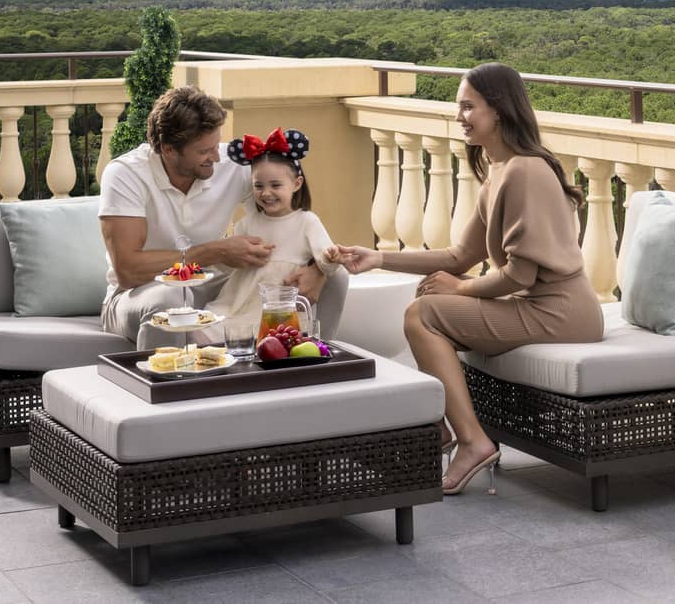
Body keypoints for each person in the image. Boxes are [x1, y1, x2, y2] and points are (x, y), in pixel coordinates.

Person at [327, 62, 604, 496]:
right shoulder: (498, 171)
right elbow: (461, 255)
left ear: (499, 110)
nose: (460, 116)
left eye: (468, 106)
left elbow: (519, 273)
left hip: (563, 312)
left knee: (425, 314)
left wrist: (460, 288)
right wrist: (377, 256)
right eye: (460, 107)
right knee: (428, 310)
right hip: (538, 306)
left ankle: (469, 440)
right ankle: (442, 427)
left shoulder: (525, 171)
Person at [98, 86, 344, 347]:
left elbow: (283, 219)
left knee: (335, 278)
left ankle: (309, 362)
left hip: (217, 285)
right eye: (204, 151)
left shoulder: (229, 162)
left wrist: (318, 268)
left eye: (216, 145)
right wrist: (214, 252)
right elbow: (128, 270)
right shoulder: (125, 174)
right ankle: (166, 385)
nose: (216, 156)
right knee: (169, 300)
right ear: (168, 150)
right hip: (138, 293)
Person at [203, 127, 341, 334]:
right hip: (237, 303)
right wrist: (220, 255)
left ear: (296, 184)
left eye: (275, 185)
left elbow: (326, 260)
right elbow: (228, 266)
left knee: (270, 339)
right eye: (258, 186)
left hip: (277, 309)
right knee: (206, 330)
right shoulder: (247, 223)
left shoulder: (307, 222)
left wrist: (330, 258)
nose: (266, 193)